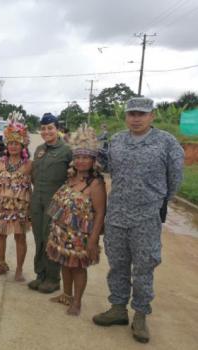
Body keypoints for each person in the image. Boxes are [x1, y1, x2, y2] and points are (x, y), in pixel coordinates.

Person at [93, 97, 184, 344]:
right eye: (132, 113)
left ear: (152, 116)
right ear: (126, 116)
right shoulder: (118, 140)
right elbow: (106, 167)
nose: (136, 118)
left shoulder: (167, 142)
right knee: (118, 264)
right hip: (117, 214)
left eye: (141, 114)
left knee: (144, 267)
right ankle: (118, 309)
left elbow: (175, 178)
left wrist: (159, 202)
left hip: (146, 217)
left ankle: (141, 315)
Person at [46, 125, 106, 316]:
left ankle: (77, 302)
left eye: (86, 157)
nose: (81, 161)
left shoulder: (95, 184)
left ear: (93, 160)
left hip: (81, 236)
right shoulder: (71, 177)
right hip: (62, 233)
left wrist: (94, 240)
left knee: (78, 268)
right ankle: (66, 295)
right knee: (65, 263)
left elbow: (100, 213)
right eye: (78, 157)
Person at [0, 120, 31, 280]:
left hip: (21, 208)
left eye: (17, 143)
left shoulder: (29, 165)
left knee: (20, 237)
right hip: (1, 207)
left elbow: (36, 188)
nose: (13, 146)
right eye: (10, 143)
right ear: (6, 145)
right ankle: (1, 264)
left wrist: (35, 211)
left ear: (23, 145)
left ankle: (19, 269)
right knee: (0, 235)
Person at [29, 113, 72, 293]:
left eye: (50, 128)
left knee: (52, 239)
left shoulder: (67, 151)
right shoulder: (39, 149)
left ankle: (53, 278)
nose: (46, 131)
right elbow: (33, 174)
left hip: (55, 203)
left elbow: (73, 177)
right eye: (44, 128)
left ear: (58, 129)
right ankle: (41, 274)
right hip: (37, 200)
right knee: (39, 238)